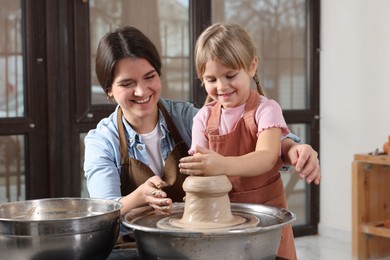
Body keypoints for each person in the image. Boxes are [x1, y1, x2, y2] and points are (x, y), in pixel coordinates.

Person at [84, 26, 320, 219]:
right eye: (127, 84)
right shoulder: (102, 141)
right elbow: (103, 213)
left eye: (150, 77)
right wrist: (139, 197)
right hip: (132, 246)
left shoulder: (186, 116)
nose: (141, 90)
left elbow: (251, 136)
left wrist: (294, 148)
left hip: (192, 239)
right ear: (109, 91)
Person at [178, 22, 312, 260]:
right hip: (223, 221)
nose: (221, 86)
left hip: (268, 220)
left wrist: (221, 165)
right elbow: (201, 170)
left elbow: (266, 156)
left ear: (252, 66)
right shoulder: (203, 117)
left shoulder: (266, 110)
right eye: (211, 79)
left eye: (230, 75)